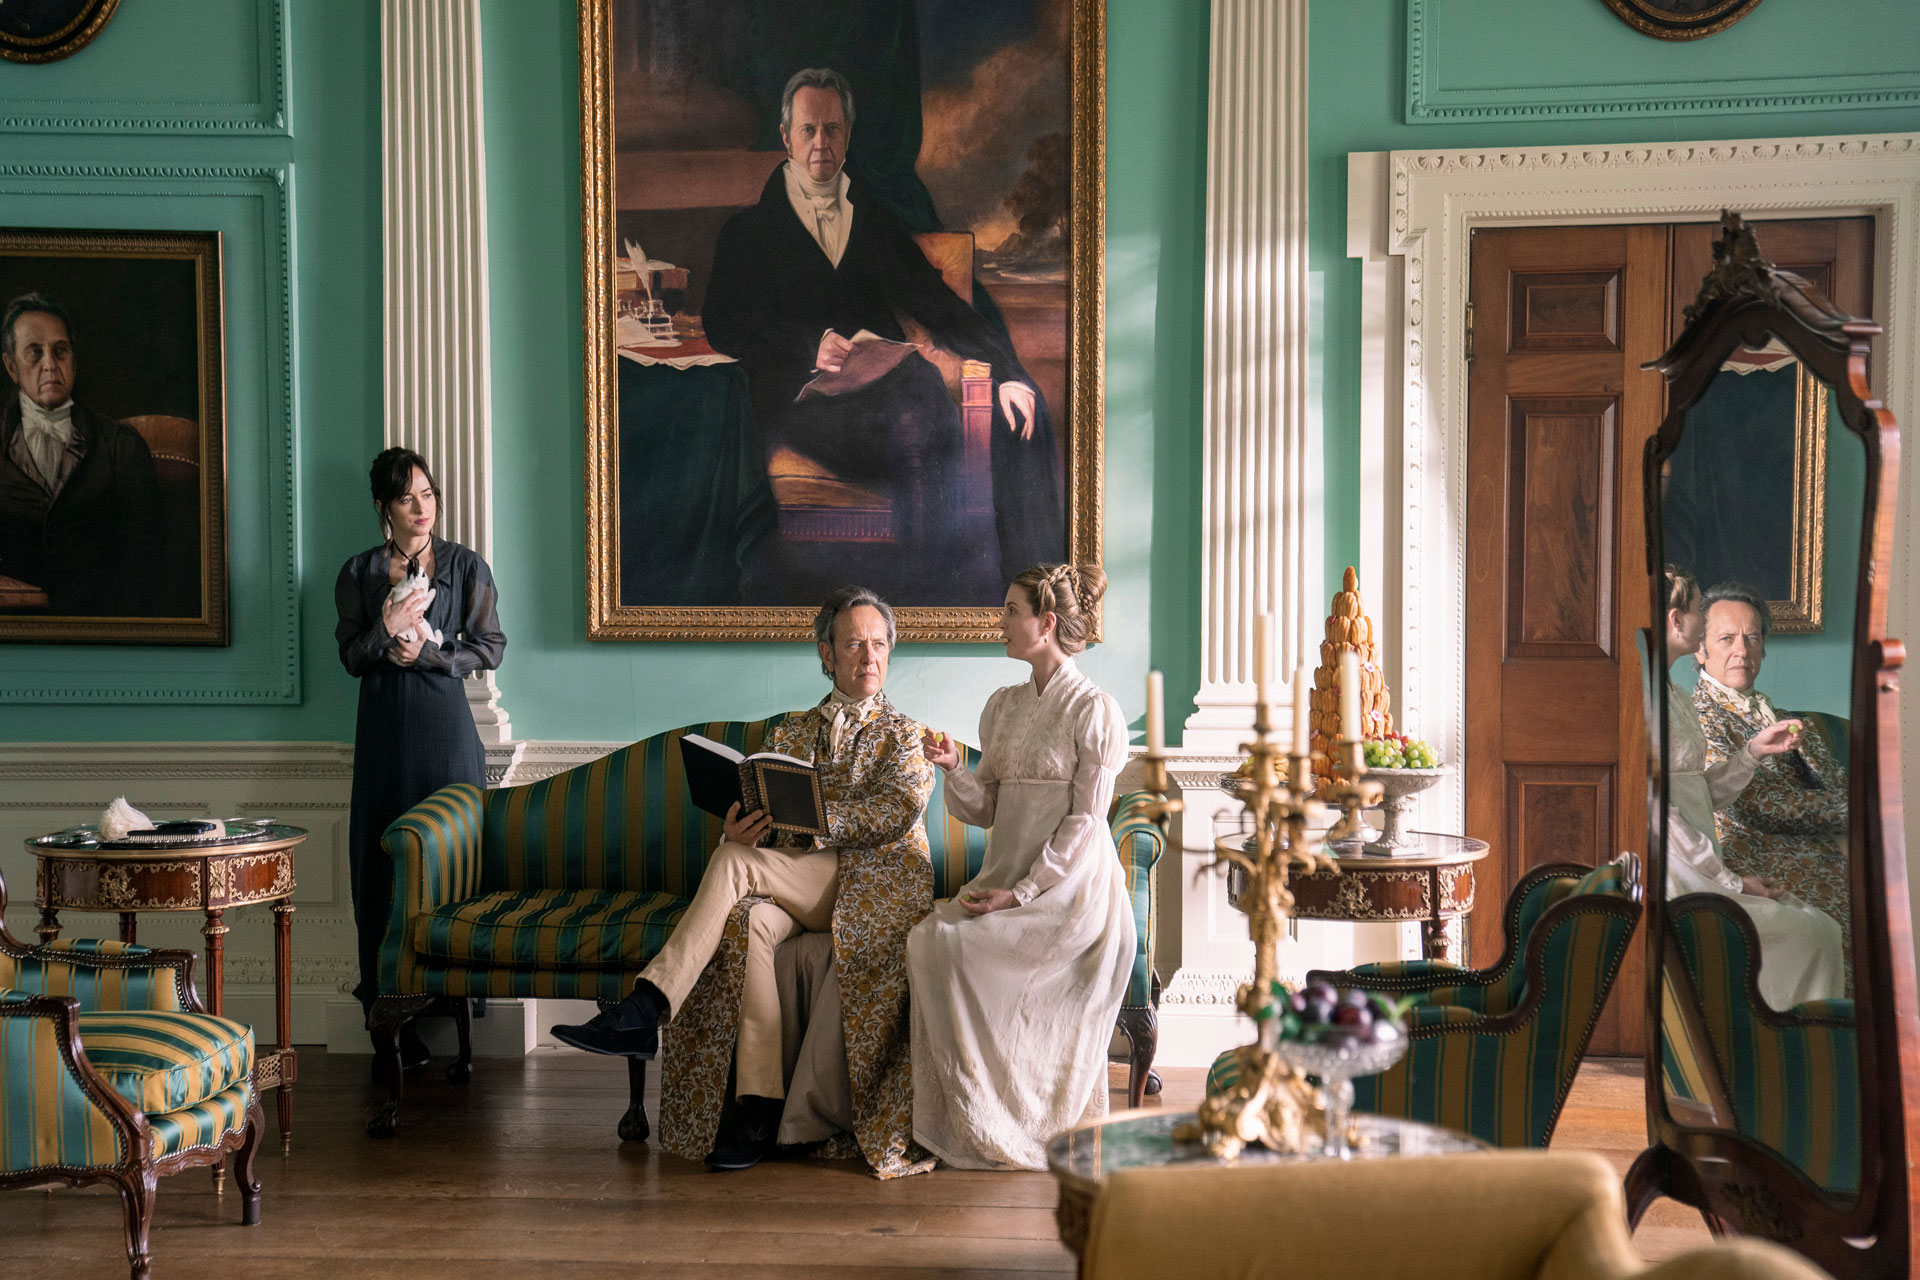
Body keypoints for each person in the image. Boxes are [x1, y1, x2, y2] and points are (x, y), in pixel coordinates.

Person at [553, 585, 937, 1177]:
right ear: (826, 654)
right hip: (802, 881)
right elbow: (766, 803)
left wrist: (809, 822)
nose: (870, 656)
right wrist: (744, 826)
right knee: (750, 916)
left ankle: (646, 1006)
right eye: (855, 643)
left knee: (734, 865)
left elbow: (896, 812)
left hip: (876, 884)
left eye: (880, 644)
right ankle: (759, 1105)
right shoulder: (791, 731)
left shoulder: (905, 735)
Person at [701, 67, 1064, 591]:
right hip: (800, 402)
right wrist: (809, 343)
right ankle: (929, 598)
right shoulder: (746, 232)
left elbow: (938, 305)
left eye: (832, 129)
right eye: (808, 130)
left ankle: (986, 598)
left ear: (847, 136)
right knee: (914, 428)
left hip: (890, 391)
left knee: (935, 410)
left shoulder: (869, 218)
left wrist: (1007, 371)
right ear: (786, 138)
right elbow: (724, 323)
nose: (820, 142)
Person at [908, 563, 1133, 1170]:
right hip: (1005, 875)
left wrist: (1024, 893)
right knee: (929, 940)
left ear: (1047, 623)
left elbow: (1085, 825)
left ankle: (1019, 1116)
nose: (999, 621)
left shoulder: (1095, 710)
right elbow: (984, 810)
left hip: (1072, 889)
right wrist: (955, 766)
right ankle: (959, 1116)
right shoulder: (1002, 707)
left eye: (1011, 610)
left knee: (953, 948)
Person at [334, 447, 506, 1066]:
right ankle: (385, 1023)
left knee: (449, 869)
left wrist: (426, 655)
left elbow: (491, 648)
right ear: (385, 507)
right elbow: (352, 657)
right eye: (408, 498)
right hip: (382, 739)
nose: (422, 508)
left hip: (446, 737)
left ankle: (448, 1012)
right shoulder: (357, 572)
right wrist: (386, 634)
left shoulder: (466, 566)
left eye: (429, 495)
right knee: (379, 874)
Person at [1659, 566, 1843, 1010]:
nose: (1742, 650)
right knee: (1822, 926)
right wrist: (1728, 880)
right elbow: (1664, 810)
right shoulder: (1674, 705)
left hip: (1709, 860)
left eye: (1753, 637)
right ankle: (1796, 1038)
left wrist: (1753, 752)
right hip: (1693, 865)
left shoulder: (1676, 697)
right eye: (1703, 614)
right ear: (1679, 623)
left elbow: (1698, 790)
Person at [1690, 581, 1851, 962]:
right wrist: (1857, 810)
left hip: (1819, 851)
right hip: (1757, 857)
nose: (1742, 651)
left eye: (1753, 638)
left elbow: (1839, 781)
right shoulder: (1698, 716)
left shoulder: (1781, 717)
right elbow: (1754, 806)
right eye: (1727, 639)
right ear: (1700, 648)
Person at [0, 291, 165, 615]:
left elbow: (145, 563)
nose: (50, 365)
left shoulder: (121, 447)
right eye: (35, 353)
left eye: (60, 351)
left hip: (99, 631)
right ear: (11, 367)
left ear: (74, 360)